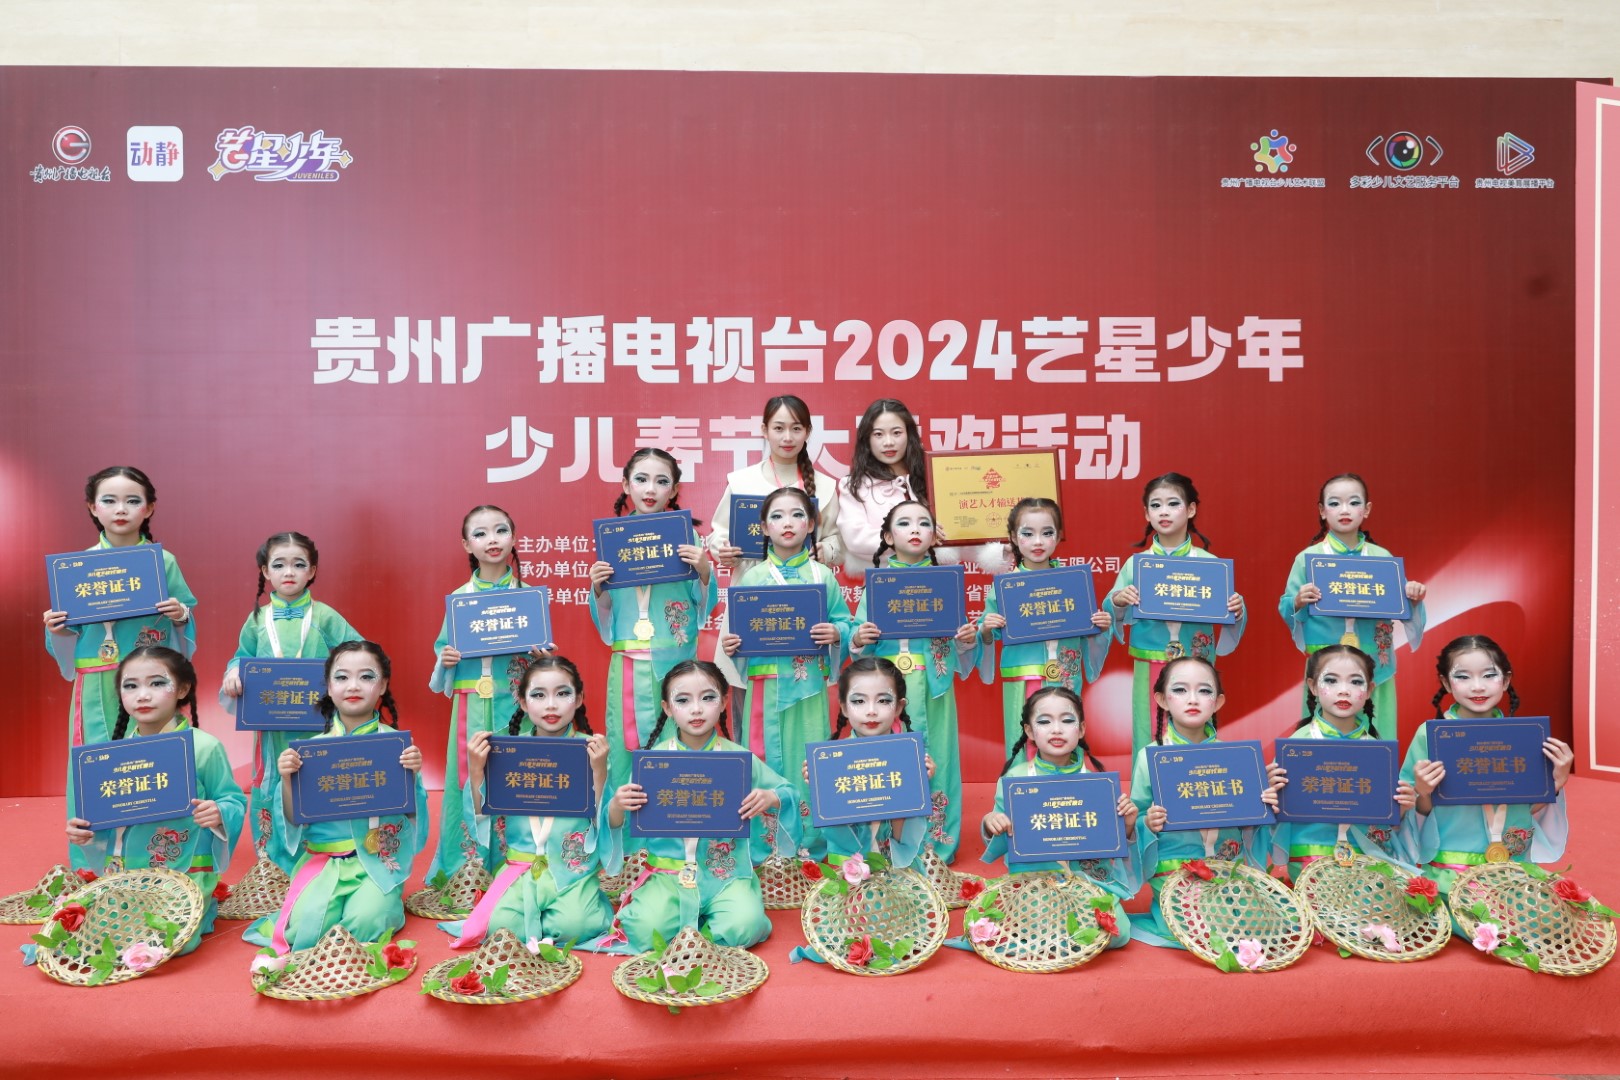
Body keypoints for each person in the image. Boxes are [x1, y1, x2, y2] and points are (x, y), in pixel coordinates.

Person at [44, 467, 197, 866]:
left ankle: (155, 861)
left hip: (149, 682)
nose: (121, 509)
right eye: (109, 501)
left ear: (149, 508)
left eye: (132, 501)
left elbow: (186, 621)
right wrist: (58, 629)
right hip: (96, 684)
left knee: (151, 766)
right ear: (93, 507)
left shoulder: (163, 562)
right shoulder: (75, 569)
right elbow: (69, 637)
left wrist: (181, 615)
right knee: (95, 764)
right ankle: (95, 864)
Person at [244, 641, 426, 956]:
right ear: (328, 687)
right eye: (342, 677)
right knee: (305, 928)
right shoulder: (310, 752)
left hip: (377, 864)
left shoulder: (398, 750)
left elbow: (414, 818)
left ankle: (380, 903)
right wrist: (287, 779)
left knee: (368, 920)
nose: (353, 686)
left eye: (366, 677)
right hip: (324, 863)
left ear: (383, 685)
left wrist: (411, 775)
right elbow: (293, 819)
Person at [600, 661, 795, 951]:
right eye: (683, 700)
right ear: (667, 708)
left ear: (724, 702)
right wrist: (617, 805)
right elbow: (617, 822)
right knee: (643, 930)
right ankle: (691, 928)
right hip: (667, 875)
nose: (696, 709)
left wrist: (771, 797)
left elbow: (789, 793)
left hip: (724, 876)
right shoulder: (652, 763)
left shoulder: (739, 759)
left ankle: (694, 933)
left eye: (708, 698)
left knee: (746, 926)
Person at [66, 646, 244, 954]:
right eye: (130, 686)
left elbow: (232, 799)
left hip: (183, 876)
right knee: (94, 940)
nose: (143, 695)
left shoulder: (204, 747)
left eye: (157, 683)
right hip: (126, 877)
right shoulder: (110, 757)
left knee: (163, 942)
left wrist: (218, 813)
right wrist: (86, 834)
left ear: (183, 689)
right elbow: (104, 821)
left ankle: (201, 907)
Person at [719, 487, 856, 861]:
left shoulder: (823, 575)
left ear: (811, 524)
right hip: (763, 687)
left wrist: (836, 633)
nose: (787, 523)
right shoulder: (752, 578)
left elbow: (846, 623)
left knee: (808, 759)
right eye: (776, 516)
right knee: (763, 758)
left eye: (797, 514)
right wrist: (734, 646)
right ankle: (767, 844)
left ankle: (811, 841)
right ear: (763, 527)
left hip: (808, 687)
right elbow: (739, 637)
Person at [440, 656, 615, 948]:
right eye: (538, 695)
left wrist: (598, 771)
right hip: (520, 868)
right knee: (501, 928)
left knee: (574, 927)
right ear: (522, 702)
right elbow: (481, 816)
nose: (551, 705)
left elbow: (605, 821)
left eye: (562, 693)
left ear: (579, 699)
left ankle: (568, 910)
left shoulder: (592, 750)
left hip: (571, 872)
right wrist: (476, 768)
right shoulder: (506, 752)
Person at [220, 531, 362, 874]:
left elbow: (359, 652)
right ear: (265, 571)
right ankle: (271, 863)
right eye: (279, 565)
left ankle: (322, 857)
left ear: (311, 571)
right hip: (272, 729)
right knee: (271, 782)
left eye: (298, 565)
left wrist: (342, 680)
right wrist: (234, 671)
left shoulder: (325, 616)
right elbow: (242, 656)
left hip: (317, 725)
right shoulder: (257, 619)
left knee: (318, 779)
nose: (289, 572)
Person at [851, 500, 979, 862]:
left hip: (934, 687)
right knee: (885, 764)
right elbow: (857, 642)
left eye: (924, 523)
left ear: (935, 536)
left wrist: (966, 639)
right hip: (885, 691)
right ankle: (885, 844)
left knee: (939, 759)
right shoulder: (876, 585)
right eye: (904, 523)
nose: (915, 530)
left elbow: (961, 643)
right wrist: (859, 637)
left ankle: (935, 847)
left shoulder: (946, 584)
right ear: (889, 537)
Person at [1402, 635, 1573, 905]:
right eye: (1463, 677)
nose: (1477, 686)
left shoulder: (1525, 737)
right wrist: (1422, 792)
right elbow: (1410, 812)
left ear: (1505, 681)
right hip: (1449, 874)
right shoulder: (1429, 736)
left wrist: (1556, 783)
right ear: (1446, 683)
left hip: (1511, 872)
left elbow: (1527, 809)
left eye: (1489, 675)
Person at [425, 505, 544, 895]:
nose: (492, 540)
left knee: (516, 777)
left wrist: (542, 658)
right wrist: (445, 660)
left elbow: (542, 663)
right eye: (480, 533)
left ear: (513, 537)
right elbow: (442, 653)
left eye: (500, 530)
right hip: (471, 705)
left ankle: (516, 862)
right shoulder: (459, 600)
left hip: (515, 706)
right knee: (467, 777)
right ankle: (467, 868)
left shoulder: (528, 597)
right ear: (467, 545)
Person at [589, 448, 717, 793]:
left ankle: (678, 820)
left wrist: (705, 572)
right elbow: (606, 611)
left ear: (674, 490)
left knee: (679, 740)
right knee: (623, 742)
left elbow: (701, 604)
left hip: (673, 660)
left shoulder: (687, 538)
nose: (650, 489)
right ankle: (625, 822)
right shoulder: (613, 538)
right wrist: (598, 587)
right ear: (626, 485)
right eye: (641, 479)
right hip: (628, 660)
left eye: (661, 482)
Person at [1129, 657, 1277, 948]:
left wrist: (1264, 805)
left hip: (1227, 869)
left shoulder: (1237, 758)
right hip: (1176, 872)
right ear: (1162, 699)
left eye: (1204, 691)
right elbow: (1136, 816)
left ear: (1218, 702)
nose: (1193, 699)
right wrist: (1148, 822)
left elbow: (1249, 823)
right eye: (1180, 690)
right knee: (1199, 928)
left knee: (1254, 926)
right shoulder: (1150, 756)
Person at [978, 686, 1141, 951]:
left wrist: (1129, 824)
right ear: (1030, 731)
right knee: (1042, 931)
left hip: (1086, 882)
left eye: (1067, 720)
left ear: (1082, 729)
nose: (1056, 729)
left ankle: (1062, 938)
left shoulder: (1097, 783)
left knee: (1118, 934)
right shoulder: (1016, 779)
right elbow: (997, 837)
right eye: (1044, 721)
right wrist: (991, 822)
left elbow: (1110, 842)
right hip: (1036, 884)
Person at [1106, 472, 1246, 754]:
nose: (1164, 512)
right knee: (1148, 726)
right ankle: (1147, 782)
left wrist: (1236, 608)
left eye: (1173, 504)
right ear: (1146, 514)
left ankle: (1197, 778)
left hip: (1195, 660)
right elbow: (1111, 610)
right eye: (1155, 505)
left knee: (1196, 723)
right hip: (1150, 659)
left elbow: (1229, 612)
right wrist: (1118, 601)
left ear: (1191, 509)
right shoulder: (1137, 564)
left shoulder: (1210, 564)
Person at [1277, 473, 1428, 723]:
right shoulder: (1307, 559)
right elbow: (1286, 607)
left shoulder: (1382, 558)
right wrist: (1297, 601)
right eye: (1335, 503)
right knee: (1323, 735)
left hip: (1375, 666)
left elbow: (1401, 606)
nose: (1344, 510)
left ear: (1366, 510)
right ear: (1322, 511)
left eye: (1354, 502)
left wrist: (1413, 597)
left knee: (1377, 732)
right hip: (1326, 666)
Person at [978, 498, 1112, 759]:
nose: (1038, 542)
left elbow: (1087, 629)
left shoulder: (1074, 582)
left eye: (1047, 533)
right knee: (1024, 742)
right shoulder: (1004, 587)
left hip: (1064, 676)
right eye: (1028, 534)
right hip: (1023, 678)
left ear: (1059, 536)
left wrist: (1100, 626)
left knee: (1065, 738)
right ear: (1013, 538)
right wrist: (986, 628)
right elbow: (986, 635)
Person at [1268, 645, 1418, 876]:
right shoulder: (1295, 746)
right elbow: (1275, 815)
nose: (1344, 691)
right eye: (1331, 680)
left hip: (1366, 864)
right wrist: (1270, 794)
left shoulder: (1378, 751)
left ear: (1369, 690)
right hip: (1308, 859)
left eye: (1356, 682)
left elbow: (1386, 821)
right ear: (1312, 686)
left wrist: (1403, 809)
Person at [835, 399, 928, 573]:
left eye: (896, 433)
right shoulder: (854, 486)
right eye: (878, 434)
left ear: (909, 435)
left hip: (935, 577)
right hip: (884, 580)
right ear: (867, 440)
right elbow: (856, 538)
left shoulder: (930, 478)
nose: (888, 442)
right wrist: (921, 538)